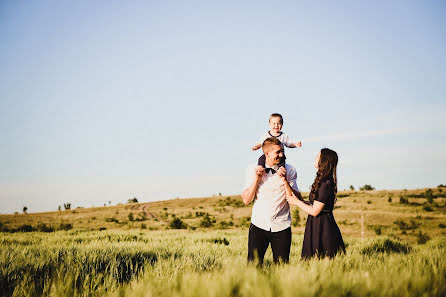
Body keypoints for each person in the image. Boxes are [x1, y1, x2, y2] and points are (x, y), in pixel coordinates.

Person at [241, 137, 300, 266]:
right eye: (278, 152)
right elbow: (246, 200)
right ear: (266, 154)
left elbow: (296, 198)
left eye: (283, 151)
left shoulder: (290, 170)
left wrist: (285, 180)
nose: (282, 155)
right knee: (253, 266)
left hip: (282, 226)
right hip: (258, 225)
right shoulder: (252, 169)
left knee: (282, 268)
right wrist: (257, 179)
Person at [283, 148, 345, 259]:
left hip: (323, 226)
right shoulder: (323, 181)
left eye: (317, 156)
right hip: (316, 223)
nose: (315, 158)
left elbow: (315, 211)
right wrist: (286, 183)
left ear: (323, 161)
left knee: (323, 258)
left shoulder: (326, 183)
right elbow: (314, 204)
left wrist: (297, 202)